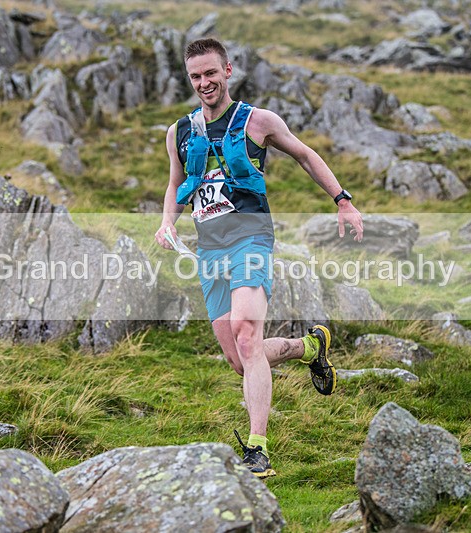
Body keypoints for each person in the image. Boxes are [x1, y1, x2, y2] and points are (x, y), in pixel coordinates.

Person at [155, 38, 363, 479]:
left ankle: (257, 450)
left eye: (211, 73)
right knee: (240, 357)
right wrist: (167, 222)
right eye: (196, 76)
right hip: (208, 249)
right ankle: (310, 347)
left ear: (228, 70)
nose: (204, 83)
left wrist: (342, 199)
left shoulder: (258, 121)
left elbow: (305, 155)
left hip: (250, 238)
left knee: (248, 337)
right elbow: (176, 184)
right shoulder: (180, 131)